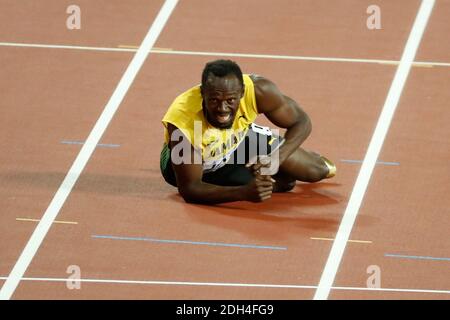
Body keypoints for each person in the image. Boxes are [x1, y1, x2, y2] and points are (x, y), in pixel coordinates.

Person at [160, 59, 336, 204]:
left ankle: (303, 157)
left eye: (230, 100)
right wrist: (243, 193)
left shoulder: (258, 91)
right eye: (214, 100)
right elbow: (190, 188)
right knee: (285, 182)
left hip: (236, 140)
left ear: (242, 93)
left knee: (316, 171)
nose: (222, 109)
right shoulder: (184, 122)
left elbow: (302, 121)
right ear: (202, 94)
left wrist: (277, 158)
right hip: (201, 166)